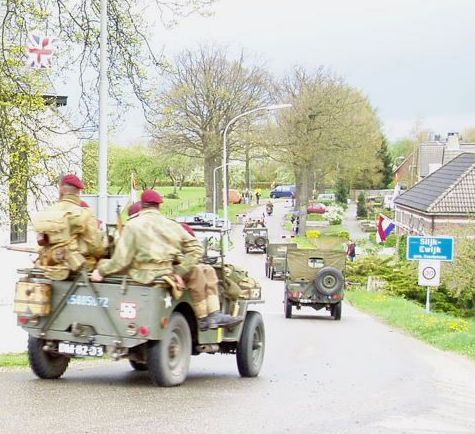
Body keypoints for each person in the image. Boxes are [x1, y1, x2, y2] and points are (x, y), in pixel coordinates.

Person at [91, 189, 242, 331]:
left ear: (142, 205)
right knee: (202, 271)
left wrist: (101, 272)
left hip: (142, 276)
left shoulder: (132, 226)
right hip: (167, 273)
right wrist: (179, 271)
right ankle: (209, 316)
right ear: (159, 205)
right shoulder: (172, 225)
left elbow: (121, 260)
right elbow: (197, 249)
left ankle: (210, 317)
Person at [31, 174, 105, 280]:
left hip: (49, 266)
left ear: (62, 190)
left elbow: (41, 242)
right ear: (79, 191)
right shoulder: (84, 213)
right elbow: (95, 247)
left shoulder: (47, 212)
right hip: (77, 268)